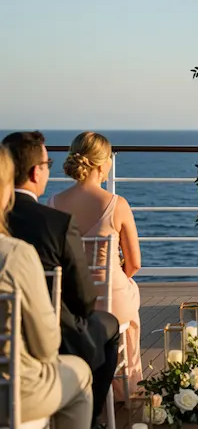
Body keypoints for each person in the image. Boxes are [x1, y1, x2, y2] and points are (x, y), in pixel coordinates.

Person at [3, 131, 120, 429]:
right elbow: (83, 300)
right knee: (106, 326)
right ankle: (94, 416)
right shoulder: (52, 226)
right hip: (45, 342)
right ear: (34, 171)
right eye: (48, 163)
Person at [49, 131, 143, 401]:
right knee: (132, 291)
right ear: (102, 165)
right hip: (111, 300)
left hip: (71, 302)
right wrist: (118, 278)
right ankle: (123, 387)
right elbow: (135, 263)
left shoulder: (54, 203)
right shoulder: (117, 205)